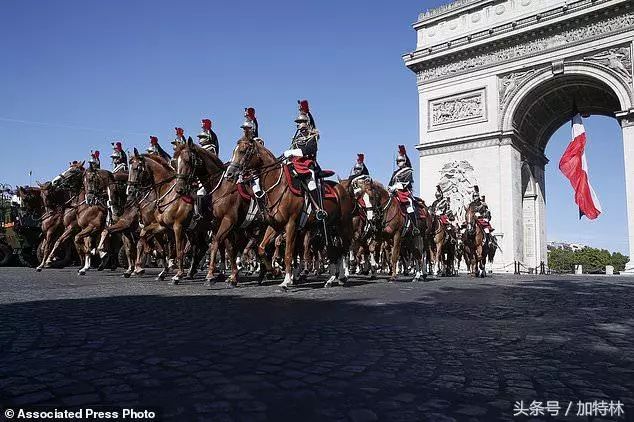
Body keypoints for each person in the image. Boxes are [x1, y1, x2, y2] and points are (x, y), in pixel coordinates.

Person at [283, 100, 326, 220]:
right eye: (298, 122)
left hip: (308, 164)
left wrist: (292, 152)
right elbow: (291, 151)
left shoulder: (312, 138)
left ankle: (318, 209)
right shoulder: (296, 139)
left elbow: (309, 151)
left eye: (301, 121)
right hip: (294, 163)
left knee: (310, 180)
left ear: (307, 123)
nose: (299, 124)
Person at [388, 145, 419, 235]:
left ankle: (415, 227)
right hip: (394, 192)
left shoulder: (408, 171)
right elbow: (390, 183)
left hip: (404, 192)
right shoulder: (395, 172)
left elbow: (408, 183)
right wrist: (390, 187)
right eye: (397, 161)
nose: (398, 163)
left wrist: (397, 186)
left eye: (400, 161)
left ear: (405, 161)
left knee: (409, 206)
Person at [241, 107, 266, 199]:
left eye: (246, 129)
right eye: (244, 128)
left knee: (255, 182)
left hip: (254, 169)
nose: (244, 130)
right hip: (243, 168)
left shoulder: (257, 142)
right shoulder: (242, 142)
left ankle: (260, 202)